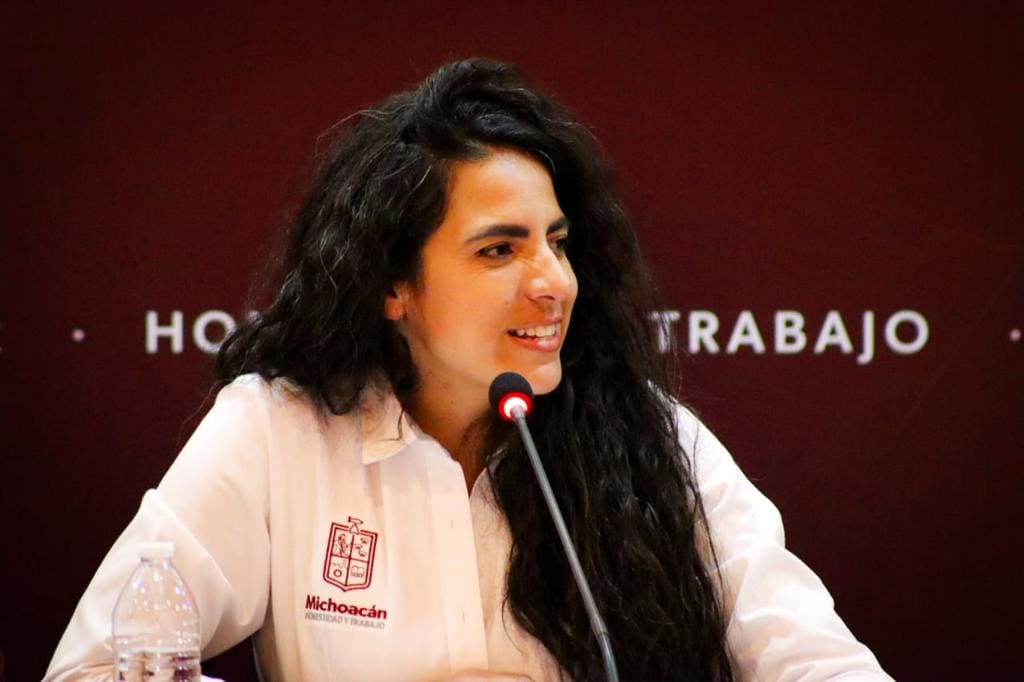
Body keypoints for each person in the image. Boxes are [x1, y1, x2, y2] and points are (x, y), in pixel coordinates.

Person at [47, 59, 892, 681]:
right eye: (499, 250)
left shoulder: (649, 434)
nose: (553, 282)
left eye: (557, 243)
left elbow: (819, 663)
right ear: (392, 285)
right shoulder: (278, 429)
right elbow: (93, 670)